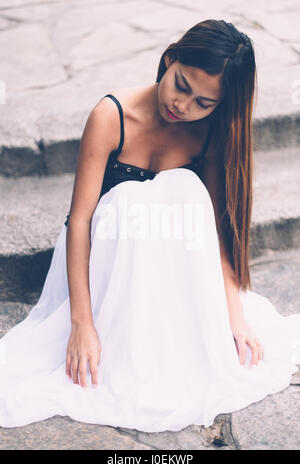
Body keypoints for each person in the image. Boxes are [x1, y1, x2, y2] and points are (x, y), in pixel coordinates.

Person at [0, 19, 299, 433]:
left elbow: (212, 226)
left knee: (181, 190)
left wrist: (232, 311)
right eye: (181, 85)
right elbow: (81, 221)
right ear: (168, 59)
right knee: (137, 200)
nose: (183, 106)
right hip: (107, 259)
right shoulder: (111, 116)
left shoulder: (208, 132)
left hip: (167, 263)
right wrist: (82, 325)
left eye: (203, 102)